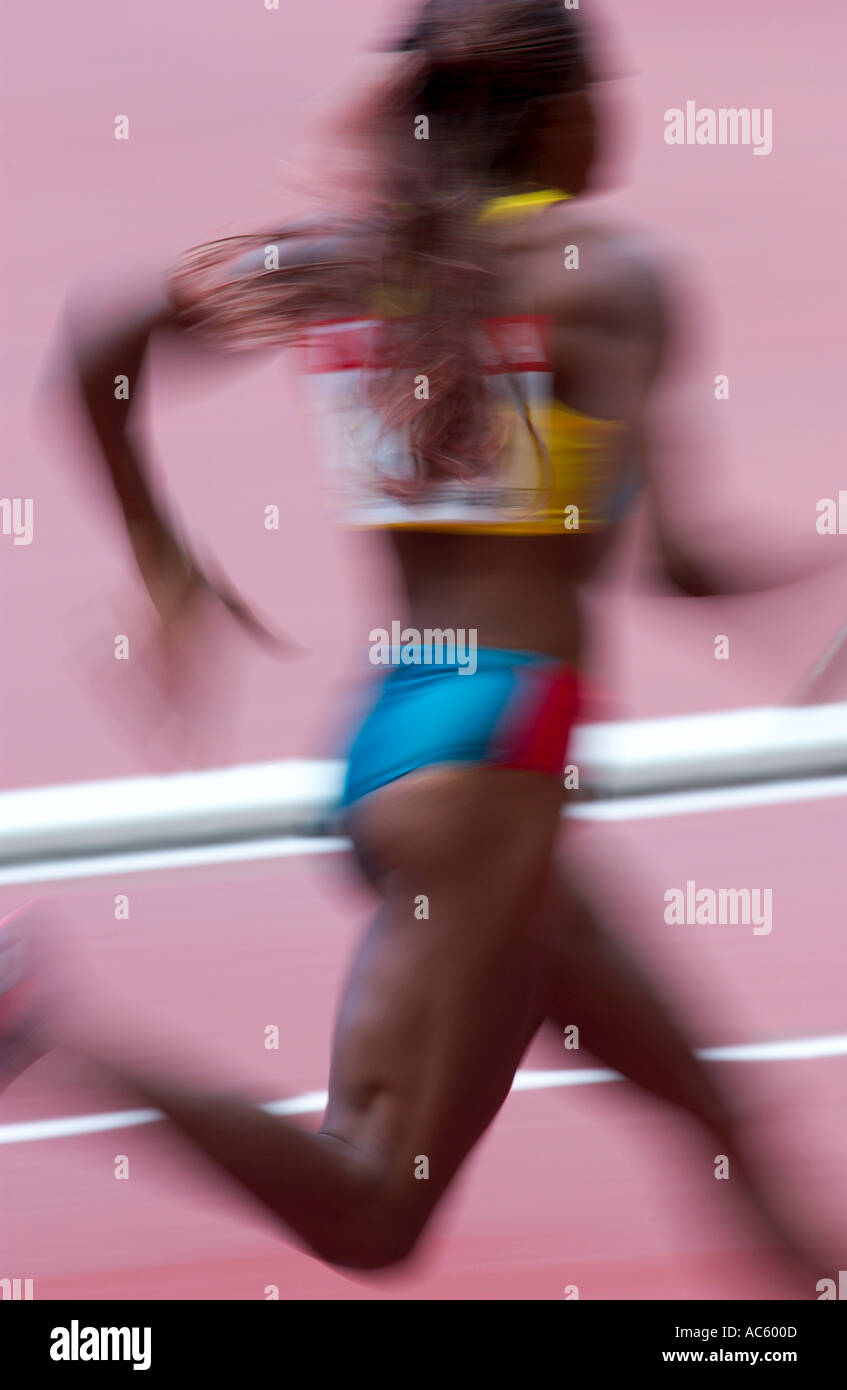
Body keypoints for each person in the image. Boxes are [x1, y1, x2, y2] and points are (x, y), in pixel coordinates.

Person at [0, 0, 832, 1280]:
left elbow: (100, 343)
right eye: (602, 89)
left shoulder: (356, 263)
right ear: (554, 110)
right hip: (495, 756)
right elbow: (686, 566)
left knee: (715, 1117)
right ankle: (39, 1030)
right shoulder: (610, 279)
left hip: (424, 738)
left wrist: (171, 571)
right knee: (373, 1207)